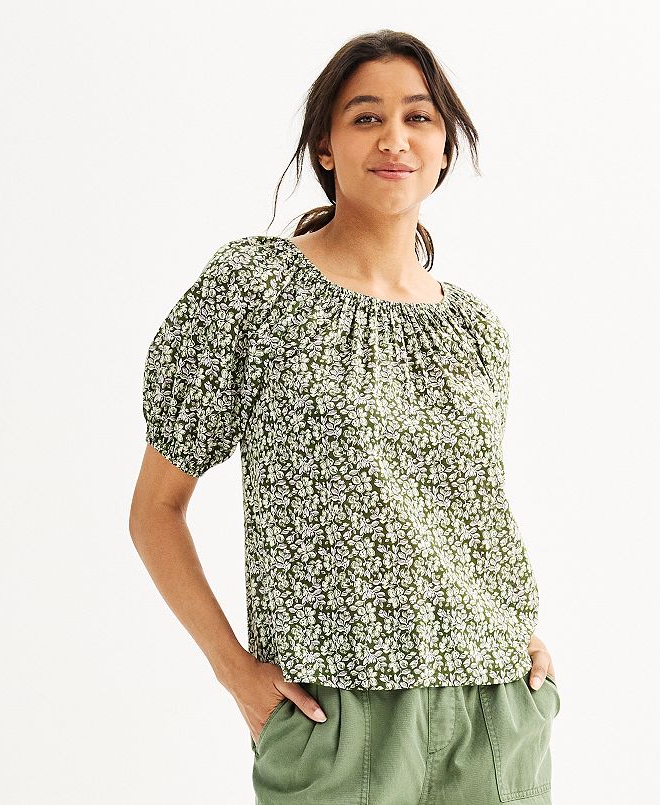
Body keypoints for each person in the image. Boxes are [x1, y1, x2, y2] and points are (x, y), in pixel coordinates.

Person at [130, 28, 561, 805]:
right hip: (335, 715)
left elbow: (463, 514)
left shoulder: (475, 330)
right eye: (366, 117)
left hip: (494, 705)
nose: (394, 138)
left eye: (417, 117)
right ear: (324, 146)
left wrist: (515, 638)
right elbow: (155, 509)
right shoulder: (255, 289)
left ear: (444, 147)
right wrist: (236, 673)